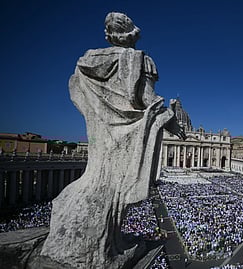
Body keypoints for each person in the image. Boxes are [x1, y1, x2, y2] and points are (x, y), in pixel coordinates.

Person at [41, 12, 185, 268]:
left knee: (96, 180)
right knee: (115, 188)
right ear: (132, 34)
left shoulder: (88, 61)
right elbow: (148, 99)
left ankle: (82, 243)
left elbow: (76, 87)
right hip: (129, 134)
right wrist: (171, 120)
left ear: (110, 35)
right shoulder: (141, 60)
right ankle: (105, 247)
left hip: (103, 132)